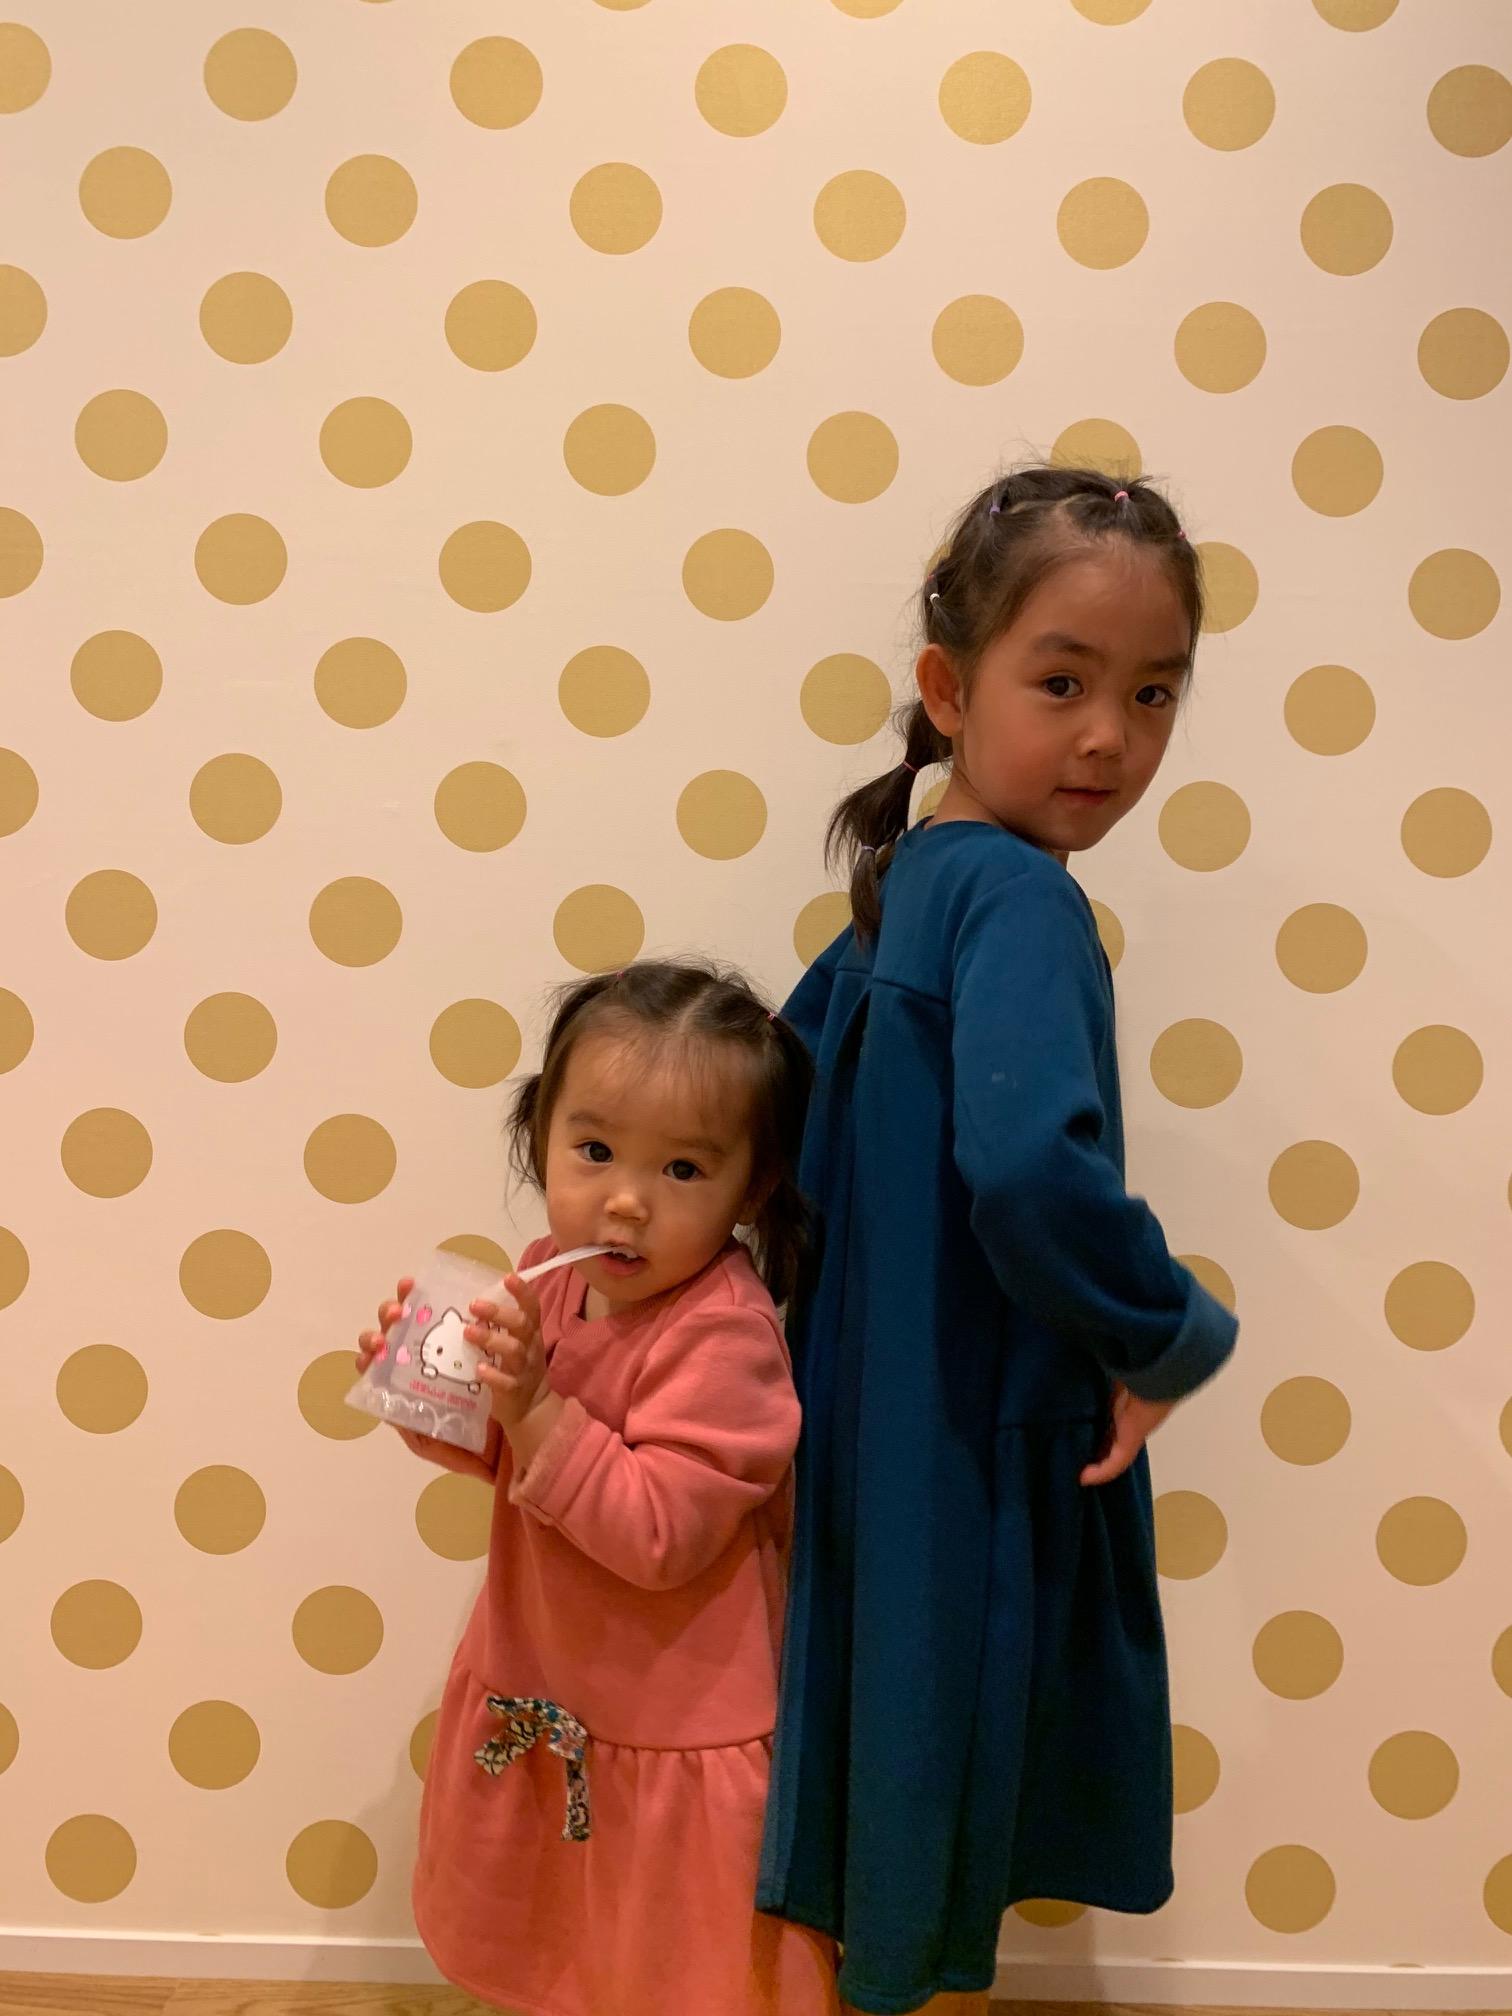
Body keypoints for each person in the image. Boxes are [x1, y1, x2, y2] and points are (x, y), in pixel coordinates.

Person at [757, 465, 1241, 2015]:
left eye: (1153, 694)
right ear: (951, 691)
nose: (1110, 737)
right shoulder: (1020, 902)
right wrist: (1165, 1333)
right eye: (1064, 681)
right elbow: (1031, 1171)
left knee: (882, 1790)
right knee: (947, 1798)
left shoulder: (907, 888)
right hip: (969, 1439)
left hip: (869, 1426)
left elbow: (778, 1118)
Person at [355, 961, 840, 2016]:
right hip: (549, 1683)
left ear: (753, 1187)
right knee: (560, 1946)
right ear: (540, 1136)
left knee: (672, 1968)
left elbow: (657, 1531)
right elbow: (518, 1463)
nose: (624, 1200)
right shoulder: (553, 1274)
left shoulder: (724, 1335)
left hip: (672, 1720)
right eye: (594, 1151)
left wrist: (532, 1404)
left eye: (683, 1168)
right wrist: (434, 1392)